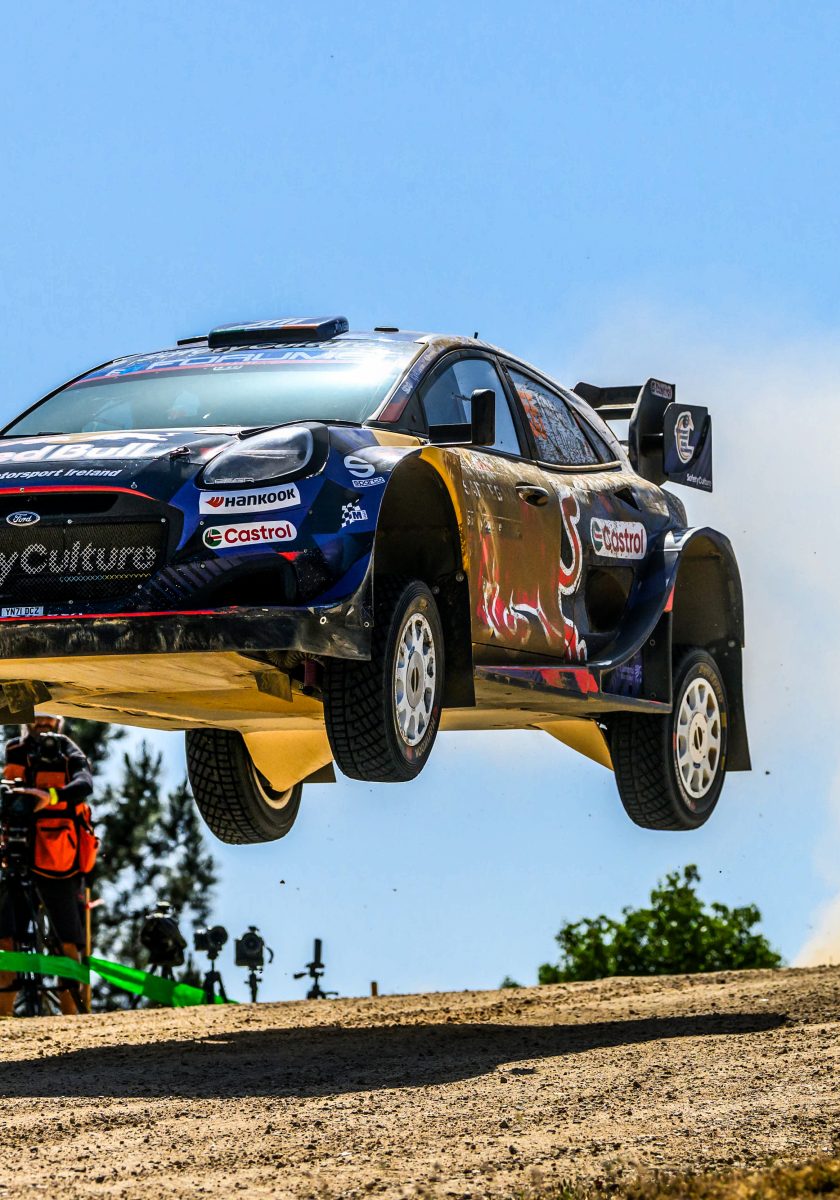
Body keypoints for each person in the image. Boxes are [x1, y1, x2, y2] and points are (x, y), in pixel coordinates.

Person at [0, 715, 96, 1016]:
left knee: (67, 941)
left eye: (49, 716)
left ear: (58, 720)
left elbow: (84, 784)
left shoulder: (66, 749)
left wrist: (50, 797)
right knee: (5, 937)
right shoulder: (14, 749)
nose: (42, 721)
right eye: (36, 715)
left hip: (59, 859)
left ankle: (71, 1019)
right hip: (14, 853)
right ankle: (4, 1017)